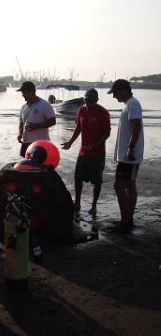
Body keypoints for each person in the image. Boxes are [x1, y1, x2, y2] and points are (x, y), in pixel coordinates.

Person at [61, 89, 111, 215]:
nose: (89, 103)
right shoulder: (81, 110)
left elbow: (107, 132)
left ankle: (94, 205)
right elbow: (78, 128)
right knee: (77, 177)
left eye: (92, 101)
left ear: (97, 100)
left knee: (96, 180)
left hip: (98, 153)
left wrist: (96, 145)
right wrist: (70, 142)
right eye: (87, 101)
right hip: (83, 152)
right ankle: (77, 202)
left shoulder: (103, 113)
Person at [107, 79, 144, 233]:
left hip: (130, 155)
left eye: (115, 93)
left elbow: (136, 126)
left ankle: (125, 221)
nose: (114, 97)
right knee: (129, 185)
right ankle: (127, 219)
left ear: (123, 90)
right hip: (128, 154)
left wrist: (130, 148)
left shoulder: (133, 104)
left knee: (119, 185)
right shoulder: (129, 105)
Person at [17, 81, 56, 157]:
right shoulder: (23, 107)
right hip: (26, 142)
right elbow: (21, 123)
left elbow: (52, 121)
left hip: (41, 143)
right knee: (24, 162)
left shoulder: (44, 104)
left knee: (39, 165)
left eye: (24, 93)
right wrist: (20, 134)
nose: (22, 95)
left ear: (31, 91)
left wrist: (36, 126)